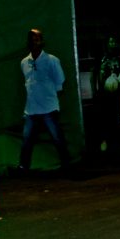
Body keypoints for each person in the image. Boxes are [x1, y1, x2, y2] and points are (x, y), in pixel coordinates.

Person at [18, 28, 71, 171]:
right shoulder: (24, 62)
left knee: (57, 138)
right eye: (32, 40)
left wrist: (53, 98)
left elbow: (60, 80)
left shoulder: (52, 60)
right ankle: (24, 167)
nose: (35, 42)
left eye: (37, 39)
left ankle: (67, 165)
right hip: (31, 109)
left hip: (49, 107)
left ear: (42, 41)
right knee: (27, 140)